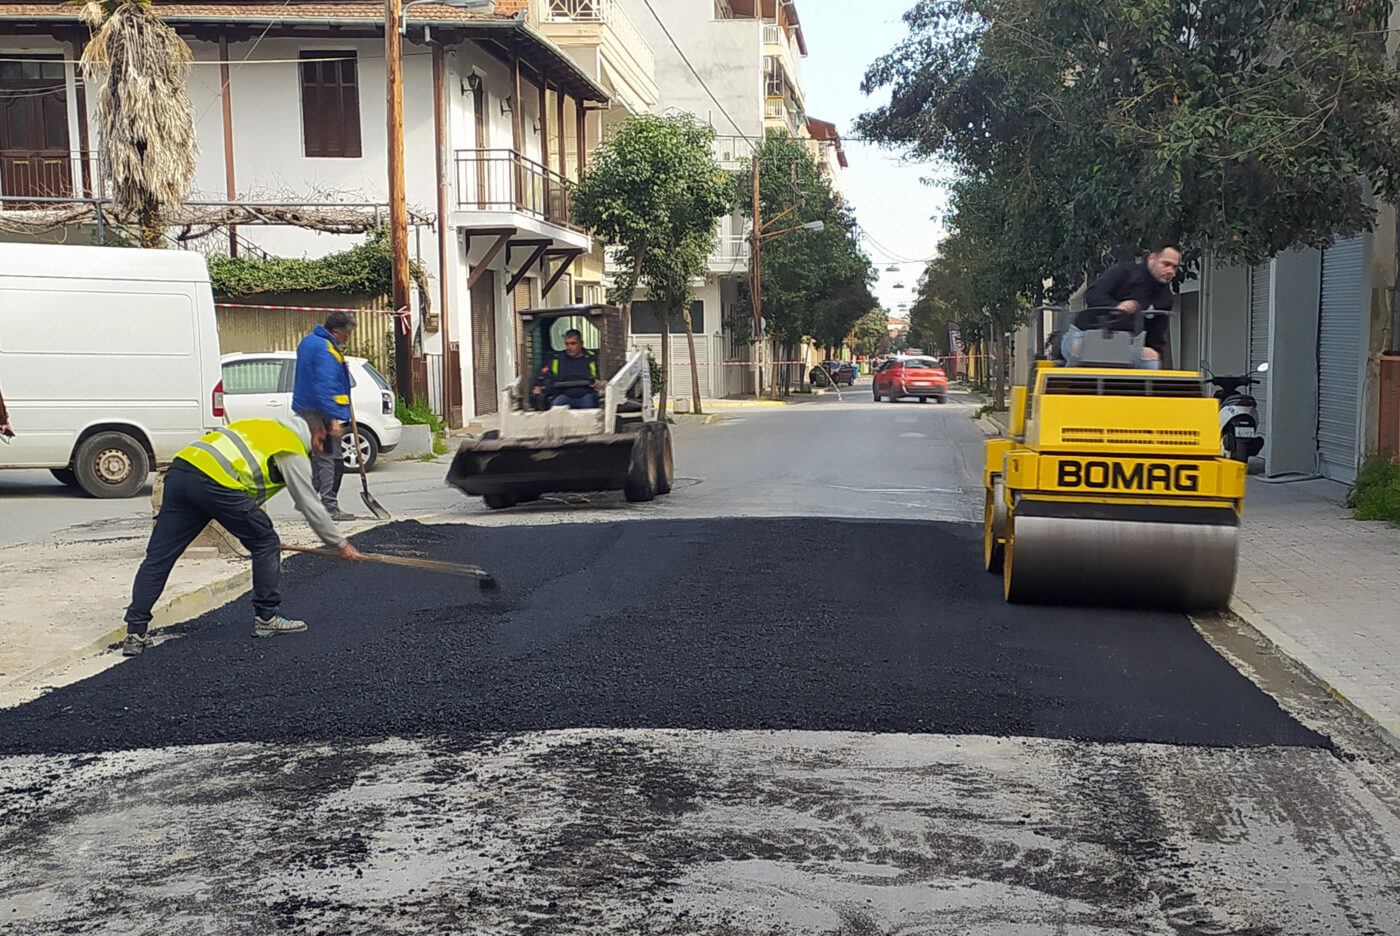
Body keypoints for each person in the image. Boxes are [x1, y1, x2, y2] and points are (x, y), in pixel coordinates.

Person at [120, 410, 363, 657]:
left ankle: (135, 633)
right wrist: (339, 543)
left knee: (160, 557)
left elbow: (246, 479)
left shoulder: (264, 426)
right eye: (324, 442)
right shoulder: (290, 447)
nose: (321, 449)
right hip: (215, 482)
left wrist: (253, 529)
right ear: (317, 433)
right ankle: (267, 618)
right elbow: (309, 504)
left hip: (182, 471)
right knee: (266, 541)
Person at [1062, 242, 1181, 369]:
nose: (1171, 271)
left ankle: (1147, 388)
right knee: (1080, 348)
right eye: (1166, 264)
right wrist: (1117, 307)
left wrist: (1155, 354)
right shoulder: (1124, 272)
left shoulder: (1165, 298)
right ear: (1152, 258)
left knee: (1152, 355)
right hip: (1085, 334)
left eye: (1175, 267)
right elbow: (1092, 294)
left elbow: (1155, 337)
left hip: (1126, 345)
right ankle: (1068, 386)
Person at [292, 310, 356, 520]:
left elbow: (314, 373)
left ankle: (306, 501)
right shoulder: (326, 349)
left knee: (318, 457)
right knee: (331, 458)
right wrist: (332, 418)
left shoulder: (309, 341)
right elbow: (326, 386)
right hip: (321, 411)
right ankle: (329, 506)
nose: (348, 337)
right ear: (336, 331)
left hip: (306, 406)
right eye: (346, 333)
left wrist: (339, 367)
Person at [536, 328, 601, 409]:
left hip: (587, 395)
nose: (569, 347)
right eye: (567, 344)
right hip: (565, 396)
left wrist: (599, 384)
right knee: (556, 406)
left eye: (573, 343)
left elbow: (602, 377)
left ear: (581, 343)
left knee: (589, 406)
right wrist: (542, 387)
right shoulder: (557, 360)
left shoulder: (593, 359)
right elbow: (547, 378)